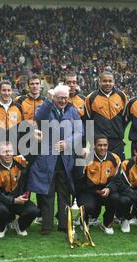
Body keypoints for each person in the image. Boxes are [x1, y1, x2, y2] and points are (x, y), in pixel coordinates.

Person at [26, 84, 83, 235]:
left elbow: (79, 131)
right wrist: (49, 100)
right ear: (54, 98)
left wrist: (68, 143)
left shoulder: (72, 111)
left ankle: (64, 225)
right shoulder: (45, 108)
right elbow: (39, 118)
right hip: (47, 159)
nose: (63, 101)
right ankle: (46, 226)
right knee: (47, 194)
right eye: (59, 98)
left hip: (65, 160)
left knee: (65, 194)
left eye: (65, 97)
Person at [74, 135, 130, 234]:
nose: (102, 148)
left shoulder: (115, 159)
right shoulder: (86, 157)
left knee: (115, 197)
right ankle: (84, 222)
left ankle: (107, 223)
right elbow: (77, 178)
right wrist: (81, 159)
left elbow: (117, 180)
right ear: (94, 146)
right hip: (89, 192)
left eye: (105, 145)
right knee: (88, 206)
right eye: (100, 145)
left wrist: (109, 189)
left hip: (106, 191)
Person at [0, 142, 40, 238]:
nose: (8, 154)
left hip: (19, 198)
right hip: (2, 201)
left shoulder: (20, 160)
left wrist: (38, 142)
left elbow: (33, 156)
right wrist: (13, 200)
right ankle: (1, 227)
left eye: (10, 151)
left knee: (34, 211)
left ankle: (19, 225)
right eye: (4, 152)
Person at [85, 71, 128, 160]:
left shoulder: (121, 96)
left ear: (114, 82)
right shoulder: (91, 98)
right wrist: (91, 141)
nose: (107, 83)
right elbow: (88, 122)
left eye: (110, 81)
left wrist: (120, 133)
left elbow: (124, 119)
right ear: (99, 81)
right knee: (98, 171)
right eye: (104, 81)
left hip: (117, 142)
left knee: (118, 170)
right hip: (99, 142)